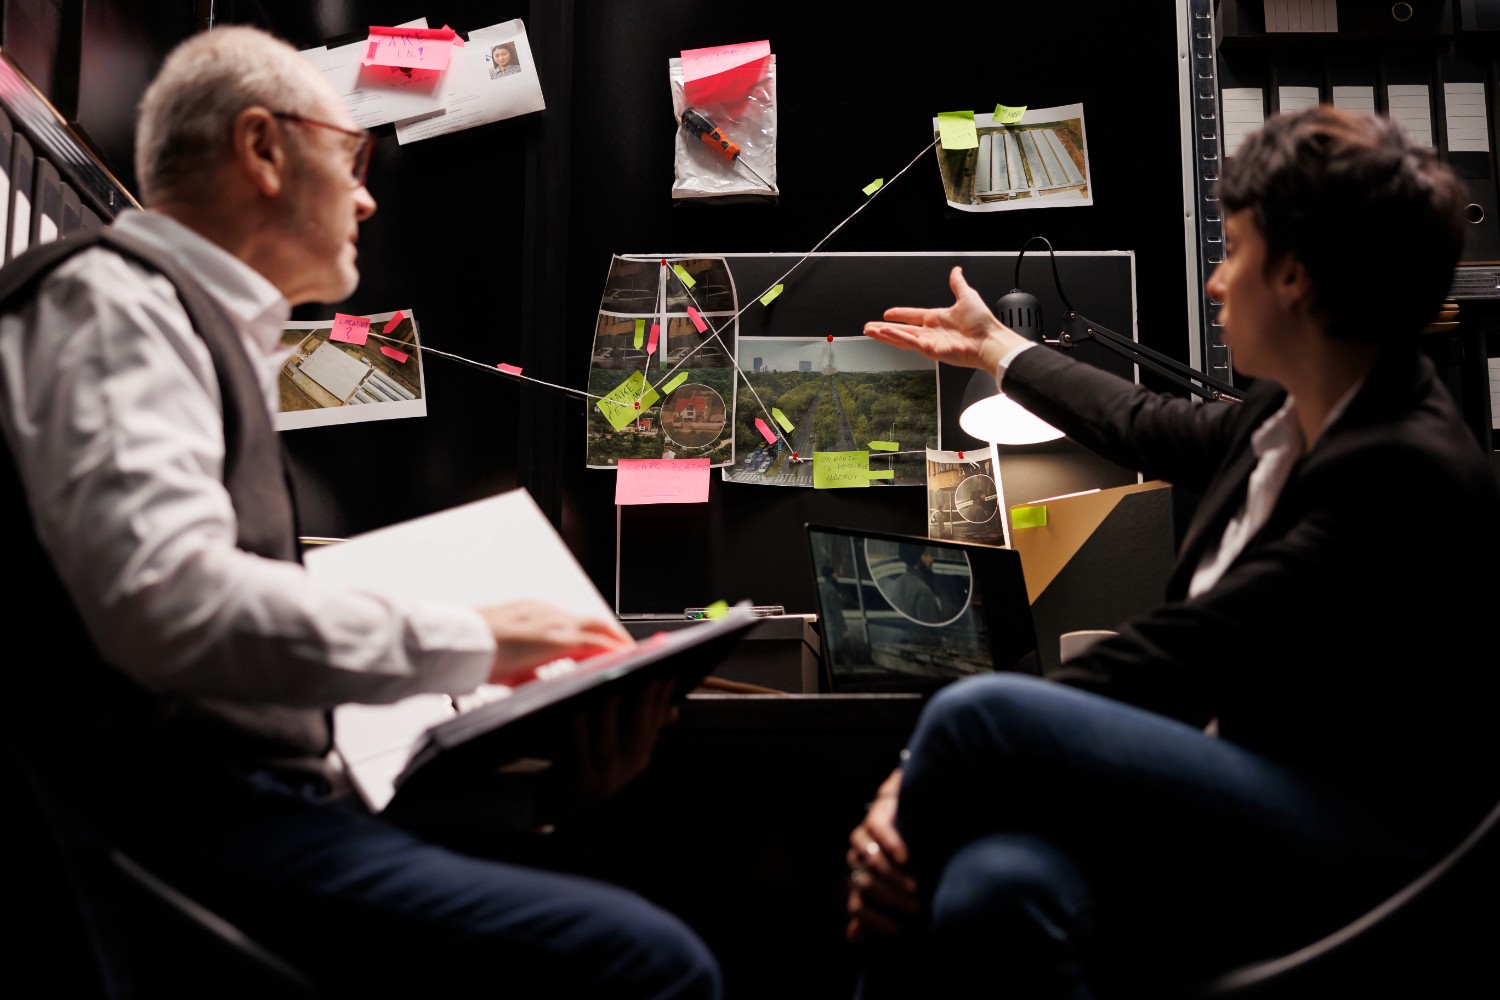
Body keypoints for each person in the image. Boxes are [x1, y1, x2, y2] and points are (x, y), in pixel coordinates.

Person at [0, 25, 719, 1000]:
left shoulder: (185, 328)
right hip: (189, 836)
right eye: (352, 157)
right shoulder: (113, 307)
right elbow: (168, 600)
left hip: (242, 825)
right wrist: (480, 639)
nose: (369, 196)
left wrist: (548, 787)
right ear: (260, 148)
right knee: (651, 960)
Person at [845, 105, 1500, 997]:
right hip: (1234, 792)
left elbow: (1184, 656)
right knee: (990, 891)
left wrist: (915, 779)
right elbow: (1141, 421)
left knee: (974, 718)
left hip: (1353, 838)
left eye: (1232, 252)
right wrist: (997, 347)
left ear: (1297, 275)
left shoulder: (1402, 467)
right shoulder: (1288, 411)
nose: (1215, 284)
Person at [890, 542, 943, 622]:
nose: (931, 559)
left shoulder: (898, 583)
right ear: (917, 562)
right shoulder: (923, 590)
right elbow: (930, 630)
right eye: (926, 555)